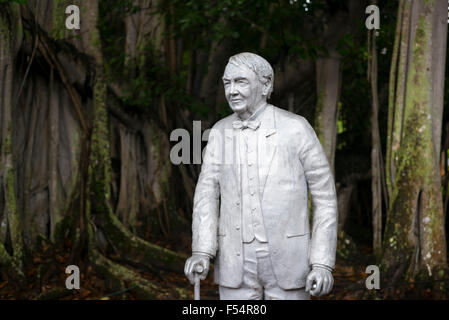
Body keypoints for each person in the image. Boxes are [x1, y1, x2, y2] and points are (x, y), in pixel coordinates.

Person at [185, 52, 338, 300]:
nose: (231, 91)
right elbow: (206, 195)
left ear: (266, 85)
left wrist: (321, 263)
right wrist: (202, 251)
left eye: (240, 82)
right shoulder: (218, 133)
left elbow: (325, 198)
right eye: (227, 83)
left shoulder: (296, 128)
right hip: (234, 259)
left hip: (290, 259)